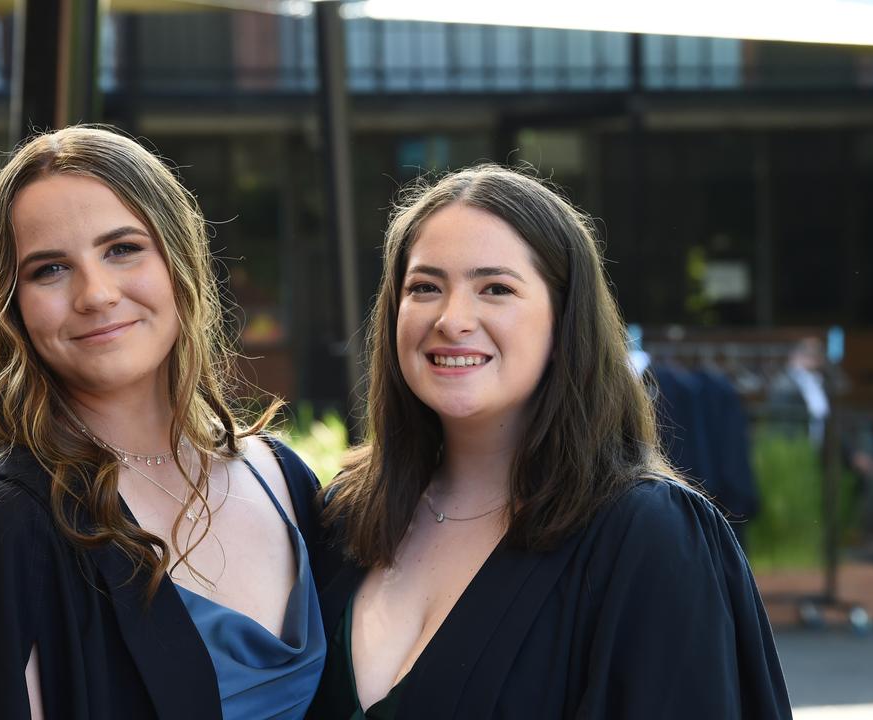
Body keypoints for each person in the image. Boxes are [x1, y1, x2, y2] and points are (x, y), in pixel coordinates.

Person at [0, 126, 328, 719]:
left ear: (180, 262)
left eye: (123, 249)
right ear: (12, 308)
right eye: (50, 269)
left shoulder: (285, 479)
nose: (96, 294)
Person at [310, 166, 791, 719]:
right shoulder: (345, 517)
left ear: (566, 323)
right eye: (425, 287)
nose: (452, 319)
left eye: (495, 288)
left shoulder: (645, 534)